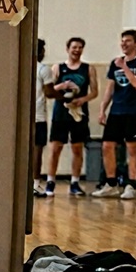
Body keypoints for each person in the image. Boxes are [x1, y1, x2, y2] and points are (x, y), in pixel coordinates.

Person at [91, 29, 136, 199]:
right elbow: (110, 88)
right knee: (107, 146)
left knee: (132, 148)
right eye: (122, 41)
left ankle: (131, 185)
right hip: (116, 111)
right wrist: (102, 110)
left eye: (128, 41)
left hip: (134, 111)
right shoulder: (115, 63)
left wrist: (125, 67)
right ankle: (111, 184)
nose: (123, 44)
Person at [45, 37, 97, 196]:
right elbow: (49, 90)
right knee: (55, 148)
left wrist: (82, 100)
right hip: (61, 112)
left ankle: (75, 182)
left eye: (80, 47)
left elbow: (94, 92)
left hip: (79, 113)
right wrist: (62, 86)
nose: (77, 50)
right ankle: (50, 181)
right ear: (67, 49)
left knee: (77, 148)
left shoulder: (88, 68)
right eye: (74, 47)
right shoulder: (57, 68)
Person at [34, 38, 53, 197]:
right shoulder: (43, 69)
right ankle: (35, 184)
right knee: (36, 150)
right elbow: (49, 92)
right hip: (38, 116)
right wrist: (64, 94)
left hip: (22, 116)